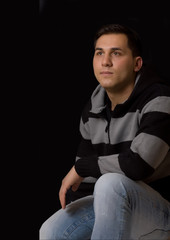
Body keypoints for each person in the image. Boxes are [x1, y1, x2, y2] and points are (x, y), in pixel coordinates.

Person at [39, 23, 170, 239]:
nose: (105, 61)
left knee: (110, 184)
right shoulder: (94, 108)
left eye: (116, 53)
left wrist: (82, 167)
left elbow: (138, 165)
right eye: (99, 53)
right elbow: (85, 184)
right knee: (51, 230)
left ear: (137, 64)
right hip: (115, 206)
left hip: (161, 213)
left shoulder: (160, 99)